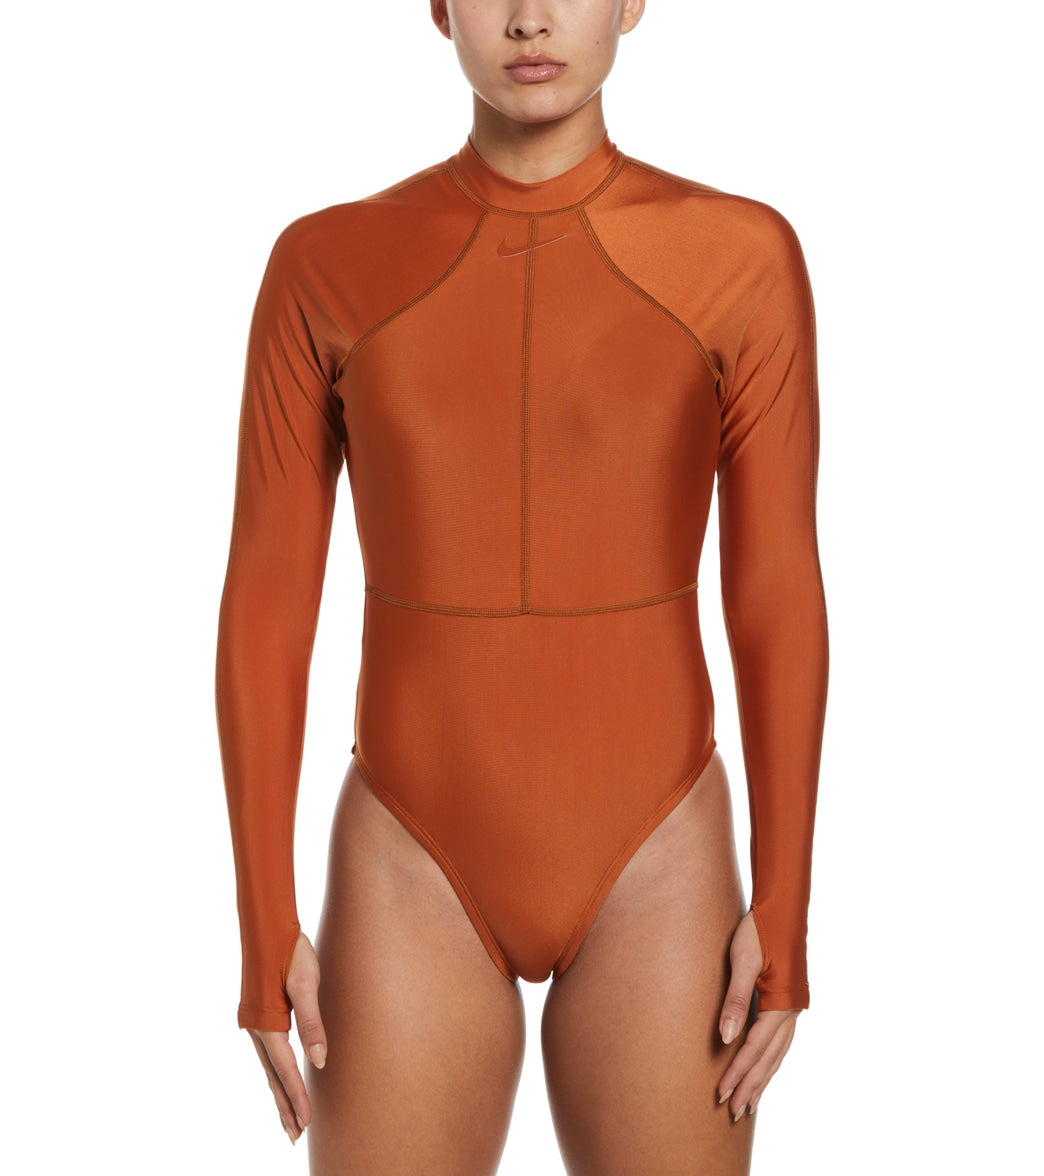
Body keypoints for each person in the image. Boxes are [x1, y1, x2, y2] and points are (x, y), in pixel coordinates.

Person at [215, 1, 828, 1171]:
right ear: (439, 6)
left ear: (633, 2)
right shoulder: (323, 265)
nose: (532, 18)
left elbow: (777, 593)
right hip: (410, 853)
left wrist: (786, 907)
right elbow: (266, 606)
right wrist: (262, 922)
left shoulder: (741, 257)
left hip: (658, 850)